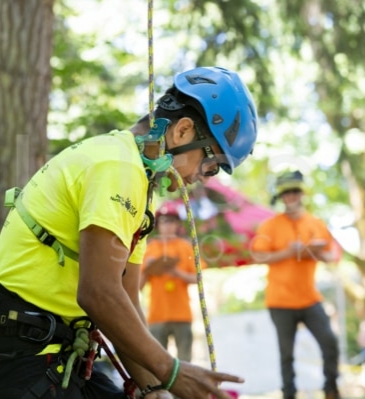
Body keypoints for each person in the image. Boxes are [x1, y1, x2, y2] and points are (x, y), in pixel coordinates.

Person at [0, 66, 257, 399]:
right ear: (182, 131)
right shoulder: (118, 168)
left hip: (54, 353)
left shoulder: (137, 182)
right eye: (209, 167)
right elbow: (98, 294)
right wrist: (172, 371)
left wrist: (153, 387)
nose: (202, 178)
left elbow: (126, 299)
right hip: (21, 356)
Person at [251, 170, 342, 399]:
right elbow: (258, 256)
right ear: (281, 197)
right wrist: (288, 252)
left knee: (330, 342)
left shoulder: (316, 223)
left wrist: (315, 252)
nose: (291, 197)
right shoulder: (269, 226)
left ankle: (331, 389)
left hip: (310, 298)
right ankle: (289, 394)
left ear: (302, 194)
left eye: (295, 192)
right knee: (286, 354)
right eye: (287, 193)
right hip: (279, 300)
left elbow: (332, 256)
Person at [141, 201, 205, 363]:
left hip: (182, 313)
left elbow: (199, 278)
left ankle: (183, 390)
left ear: (177, 224)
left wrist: (176, 272)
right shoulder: (149, 248)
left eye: (171, 221)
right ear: (158, 225)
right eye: (164, 221)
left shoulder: (185, 247)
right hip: (157, 315)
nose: (168, 225)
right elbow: (138, 287)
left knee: (185, 360)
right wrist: (147, 269)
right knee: (157, 362)